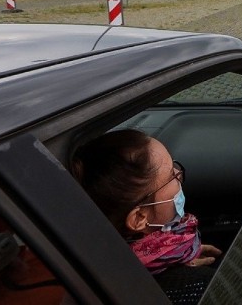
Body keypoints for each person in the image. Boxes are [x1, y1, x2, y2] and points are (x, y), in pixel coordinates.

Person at [71, 129, 221, 304]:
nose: (179, 174)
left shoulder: (104, 263)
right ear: (139, 218)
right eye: (171, 176)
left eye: (174, 165)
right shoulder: (197, 288)